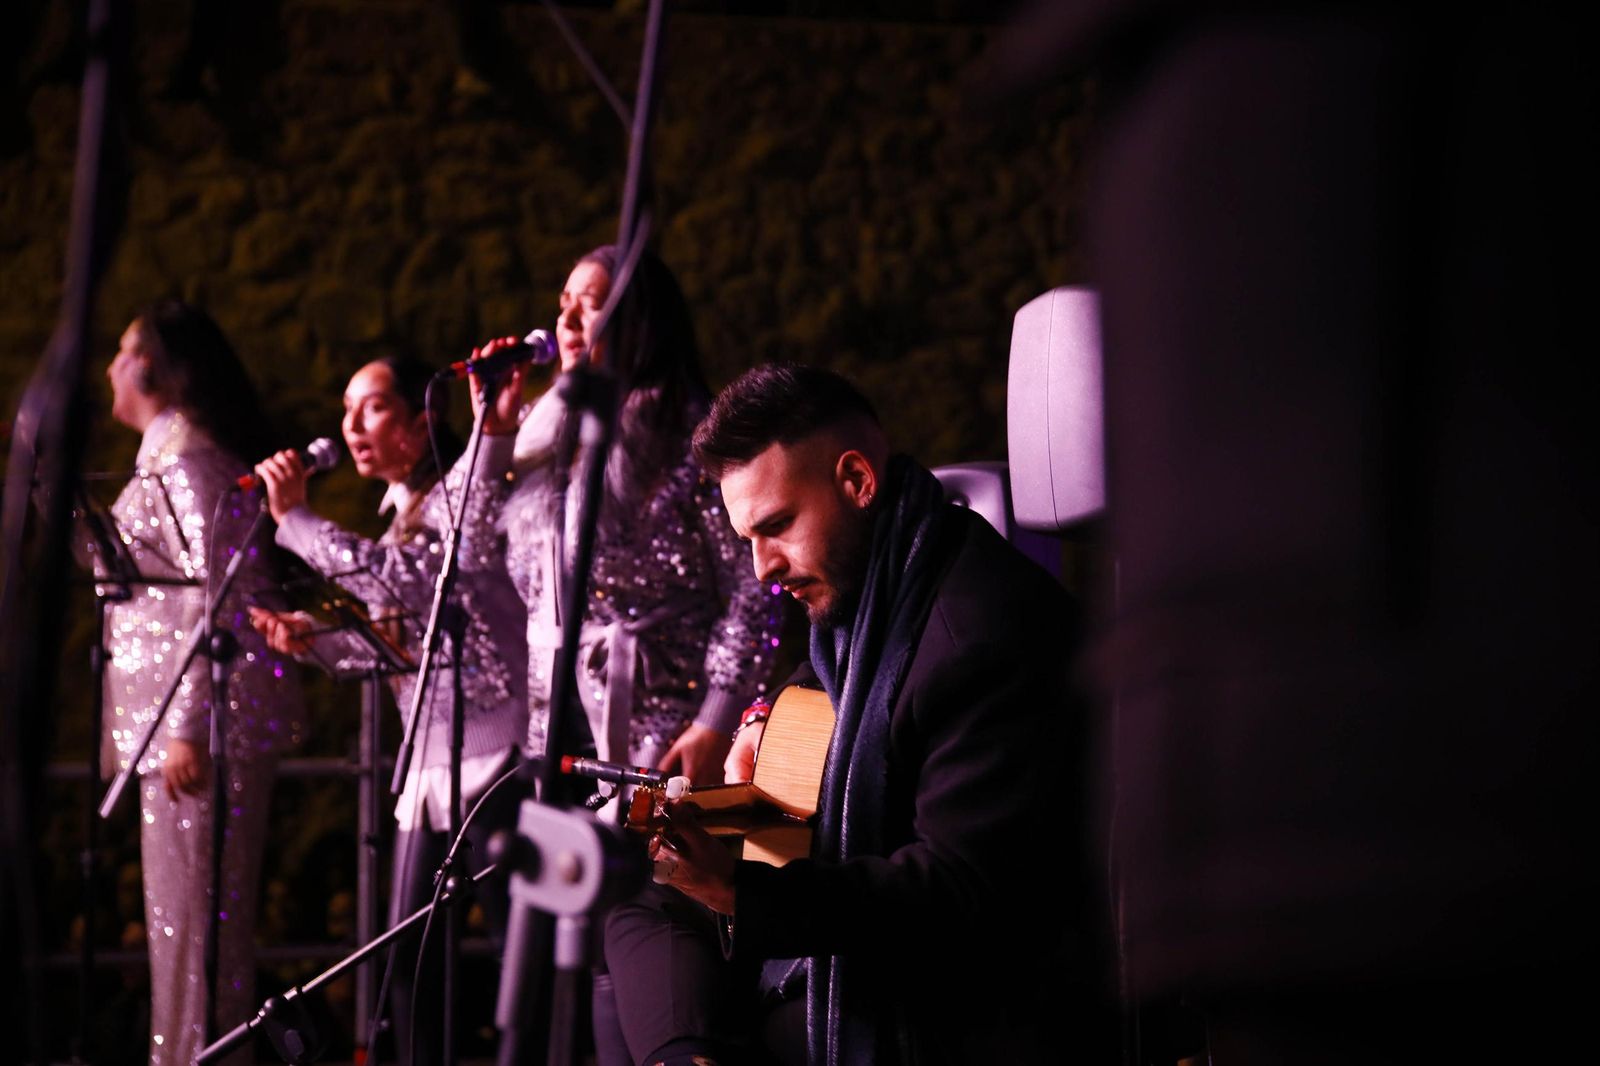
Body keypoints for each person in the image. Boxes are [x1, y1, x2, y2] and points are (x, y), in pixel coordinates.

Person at [603, 363, 1107, 1066]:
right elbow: (827, 682)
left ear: (857, 482)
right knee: (642, 878)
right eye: (747, 538)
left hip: (952, 1003)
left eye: (776, 526)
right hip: (845, 903)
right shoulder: (881, 589)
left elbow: (958, 892)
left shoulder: (982, 634)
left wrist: (738, 890)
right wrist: (761, 725)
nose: (761, 569)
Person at [248, 354, 528, 1066]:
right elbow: (399, 647)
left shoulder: (460, 497)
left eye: (370, 408)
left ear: (419, 418)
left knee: (517, 964)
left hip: (498, 758)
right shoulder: (398, 516)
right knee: (406, 960)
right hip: (430, 768)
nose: (351, 426)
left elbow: (406, 577)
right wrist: (313, 641)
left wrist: (296, 520)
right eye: (346, 411)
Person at [88, 299, 306, 1066]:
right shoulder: (166, 456)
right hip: (170, 725)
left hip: (197, 730)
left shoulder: (187, 459)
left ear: (152, 365)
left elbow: (222, 596)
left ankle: (193, 1057)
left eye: (122, 350)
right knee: (183, 926)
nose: (110, 366)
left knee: (196, 929)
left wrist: (187, 728)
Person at [496, 244, 784, 783]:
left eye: (592, 303)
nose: (568, 319)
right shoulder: (539, 428)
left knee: (646, 864)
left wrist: (715, 720)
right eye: (563, 304)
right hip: (551, 712)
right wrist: (490, 434)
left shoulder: (689, 433)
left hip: (659, 716)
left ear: (640, 323)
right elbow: (472, 549)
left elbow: (755, 582)